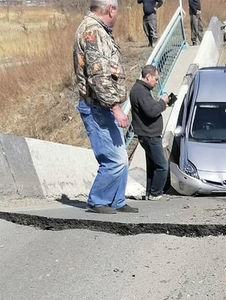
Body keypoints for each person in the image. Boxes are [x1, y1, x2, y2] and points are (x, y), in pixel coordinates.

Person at [73, 0, 138, 214]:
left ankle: (116, 200)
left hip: (103, 105)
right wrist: (115, 107)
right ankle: (98, 199)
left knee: (122, 158)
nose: (117, 14)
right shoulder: (94, 32)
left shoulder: (95, 29)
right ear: (110, 9)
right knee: (114, 159)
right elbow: (98, 75)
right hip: (98, 106)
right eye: (116, 10)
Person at [130, 65, 170, 201]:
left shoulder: (141, 90)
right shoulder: (140, 91)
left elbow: (150, 108)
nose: (157, 82)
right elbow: (151, 111)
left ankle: (150, 193)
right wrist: (162, 103)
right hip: (150, 135)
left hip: (147, 134)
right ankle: (155, 193)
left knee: (153, 166)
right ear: (148, 77)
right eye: (156, 79)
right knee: (162, 166)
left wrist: (162, 104)